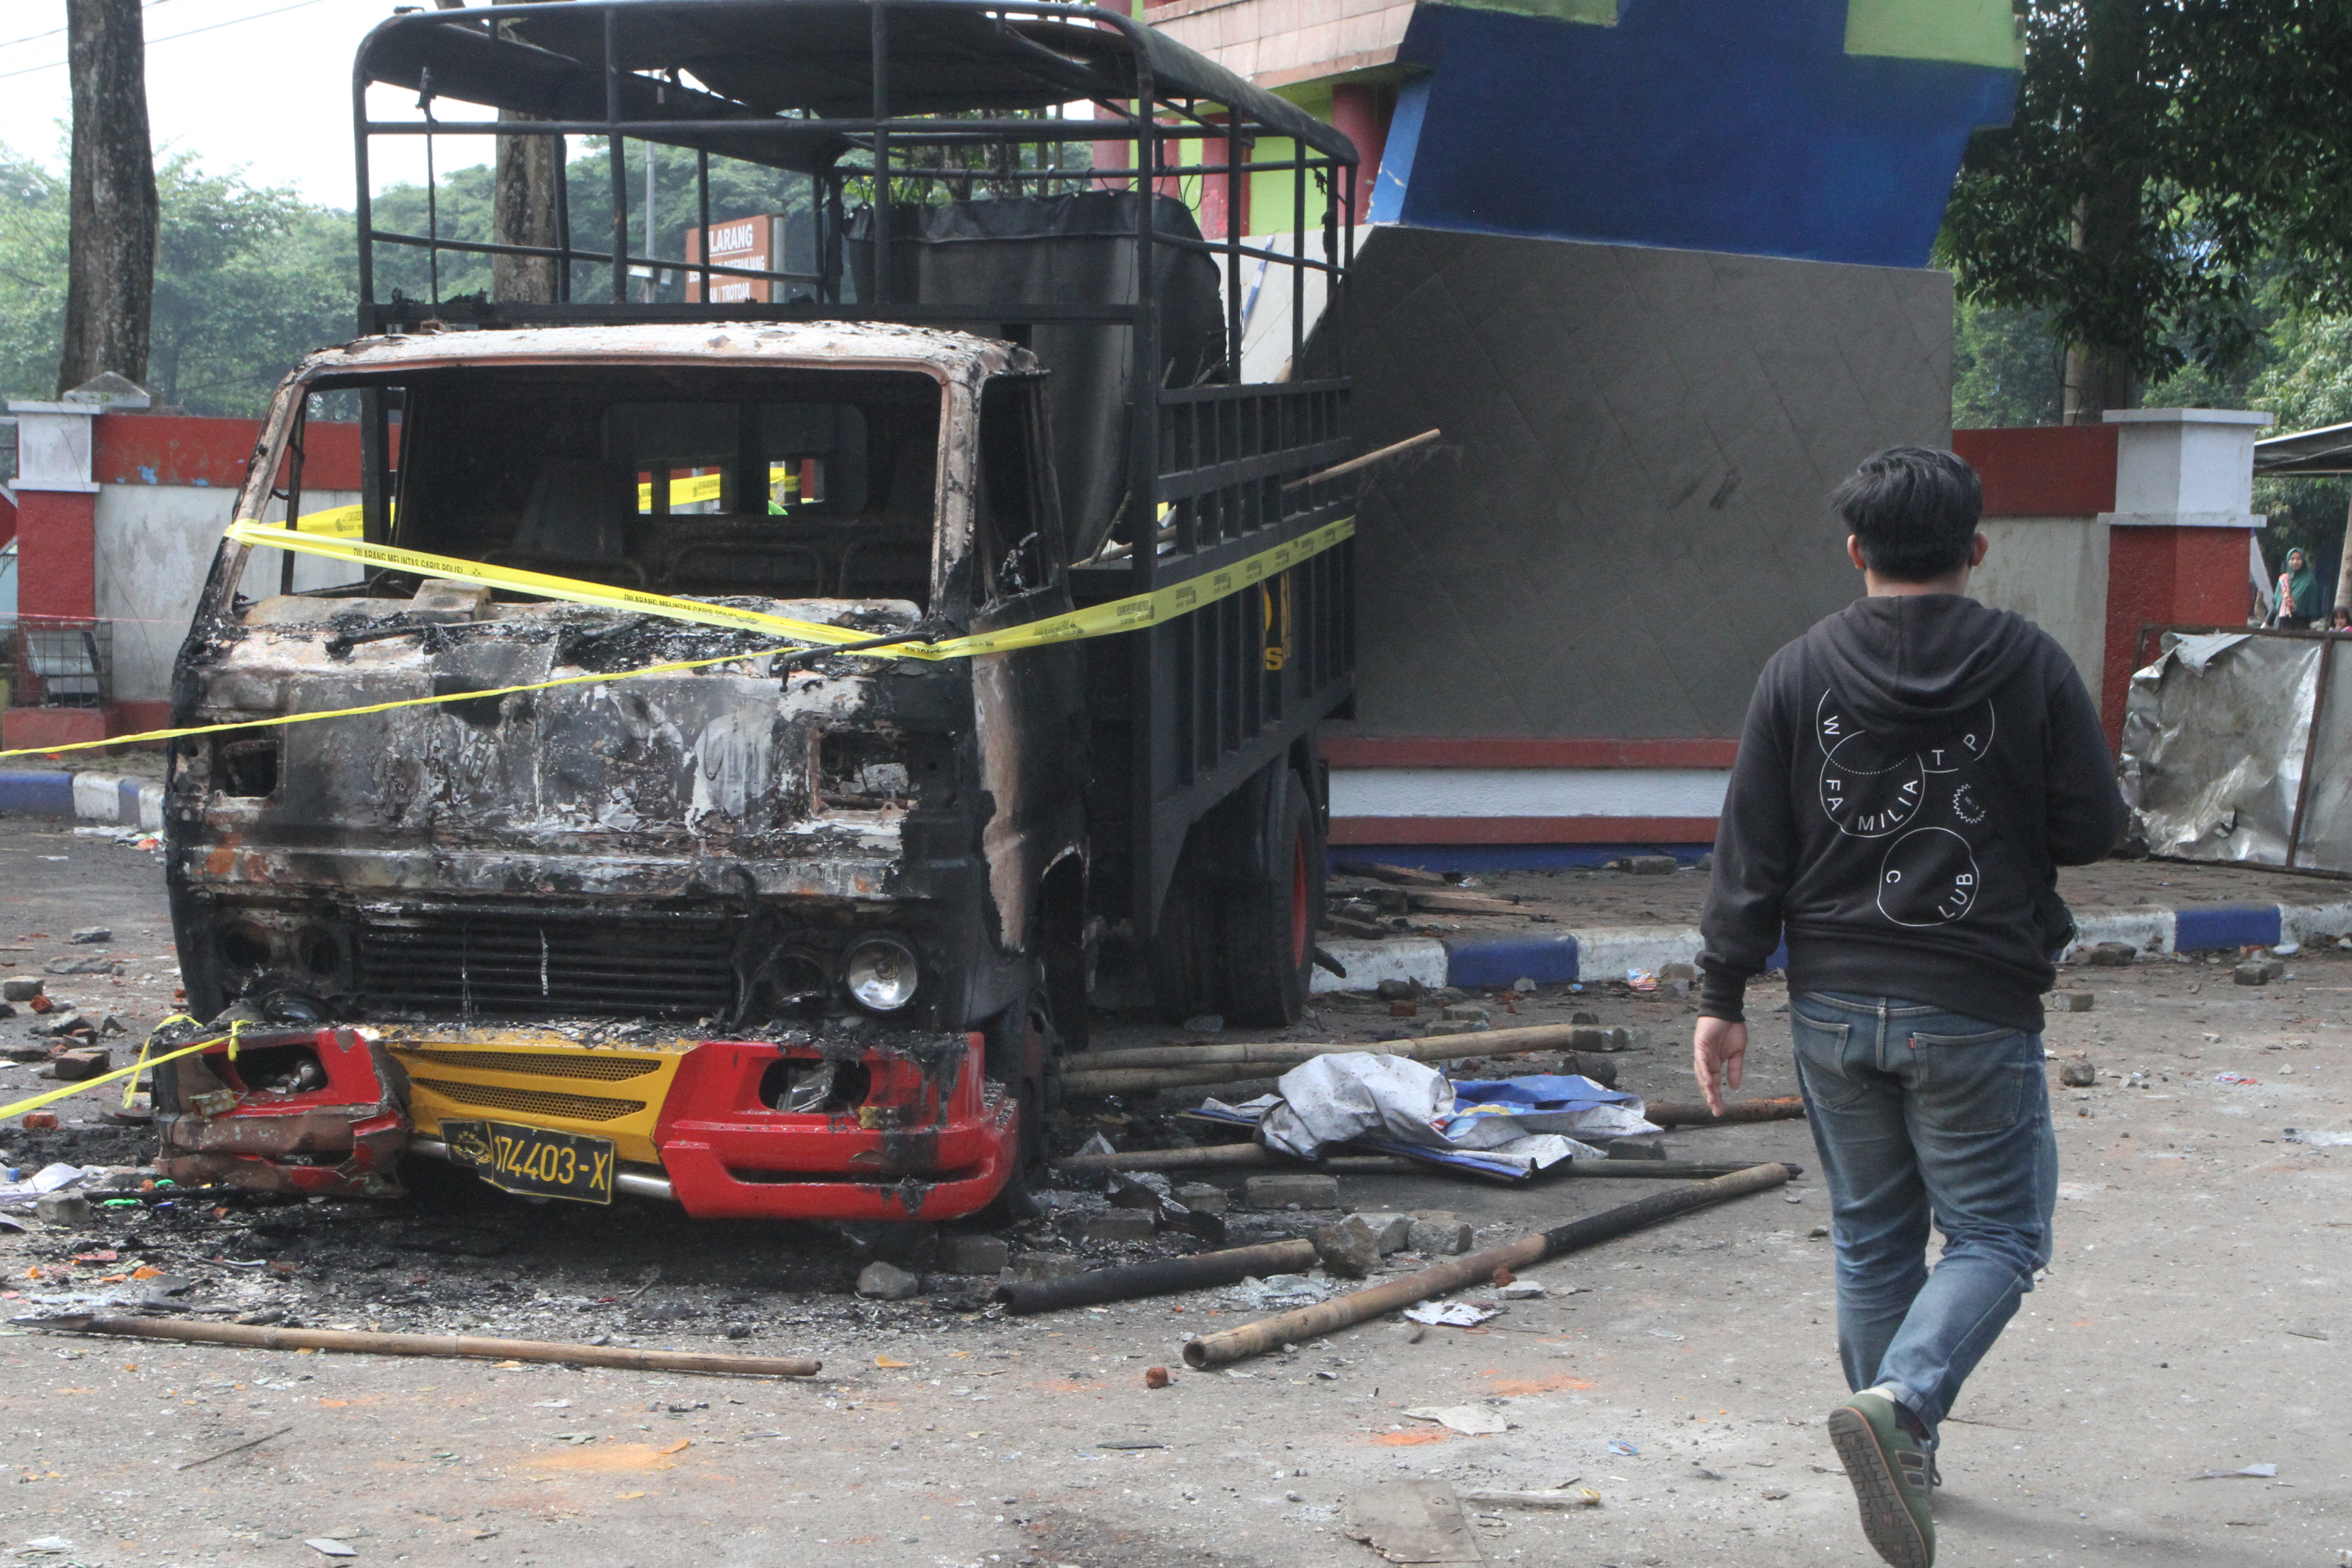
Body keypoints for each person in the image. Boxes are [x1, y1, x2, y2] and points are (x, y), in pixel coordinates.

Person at [1692, 446, 2126, 1568]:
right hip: (1975, 999)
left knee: (1874, 1233)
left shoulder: (1795, 669)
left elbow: (1752, 848)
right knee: (1998, 1233)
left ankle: (1900, 1440)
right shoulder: (2028, 662)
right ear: (1976, 549)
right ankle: (1905, 1406)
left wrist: (1720, 994)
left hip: (1832, 1002)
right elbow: (2091, 824)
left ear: (1856, 552)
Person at [2274, 546, 2321, 627]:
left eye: (2299, 559)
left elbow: (2313, 606)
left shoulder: (2309, 581)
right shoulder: (2283, 579)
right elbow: (2275, 602)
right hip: (2281, 624)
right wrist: (2267, 623)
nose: (2295, 562)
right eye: (2292, 559)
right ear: (2288, 561)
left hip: (2300, 624)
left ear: (2303, 561)